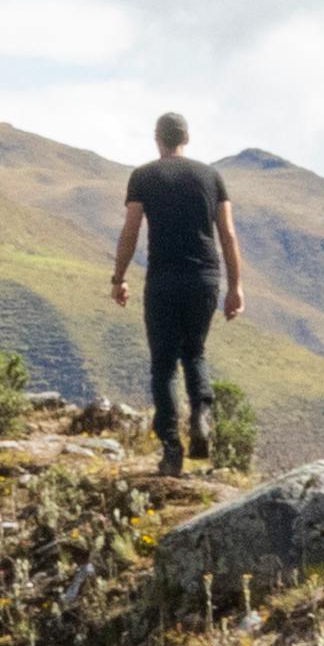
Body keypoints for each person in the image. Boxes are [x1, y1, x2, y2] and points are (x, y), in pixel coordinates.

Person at [106, 112, 243, 477]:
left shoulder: (144, 176)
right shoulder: (211, 177)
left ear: (157, 139)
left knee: (164, 364)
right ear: (187, 138)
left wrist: (119, 277)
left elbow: (130, 230)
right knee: (194, 351)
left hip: (164, 278)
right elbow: (228, 235)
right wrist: (235, 287)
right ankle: (201, 414)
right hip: (205, 278)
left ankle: (171, 451)